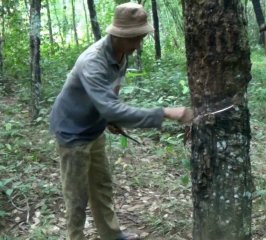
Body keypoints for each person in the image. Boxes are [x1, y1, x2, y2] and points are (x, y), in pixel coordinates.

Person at [49, 3, 193, 240]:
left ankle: (111, 235)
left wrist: (107, 119)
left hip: (94, 129)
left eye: (140, 37)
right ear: (118, 34)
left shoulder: (121, 54)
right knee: (77, 197)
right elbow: (111, 106)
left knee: (102, 187)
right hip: (72, 132)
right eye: (133, 38)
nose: (138, 44)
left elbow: (109, 95)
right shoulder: (92, 62)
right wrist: (165, 112)